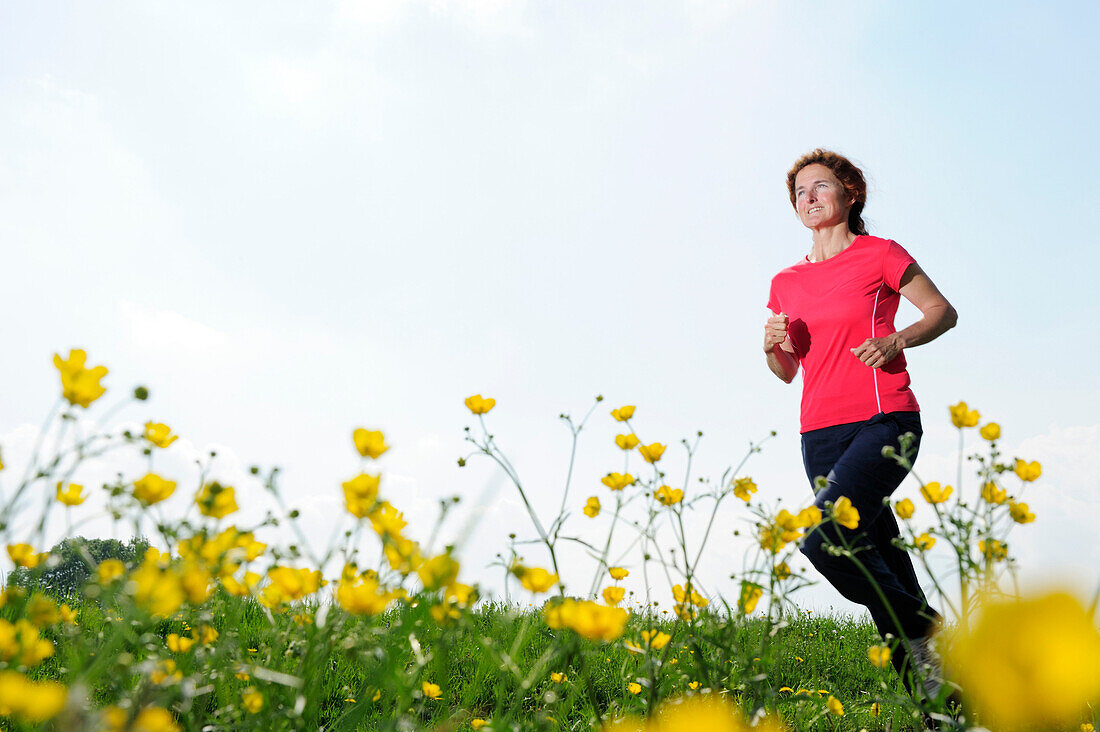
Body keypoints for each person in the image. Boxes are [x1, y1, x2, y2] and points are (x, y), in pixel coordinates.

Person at [763, 149, 958, 701]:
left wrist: (896, 339)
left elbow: (941, 311)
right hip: (818, 435)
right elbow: (785, 371)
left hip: (884, 418)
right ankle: (942, 707)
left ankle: (922, 622)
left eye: (820, 186)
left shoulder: (881, 255)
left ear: (850, 192)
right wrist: (771, 349)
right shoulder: (786, 282)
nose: (809, 197)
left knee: (827, 541)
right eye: (799, 192)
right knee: (883, 563)